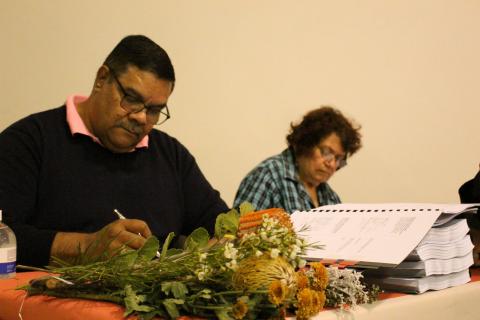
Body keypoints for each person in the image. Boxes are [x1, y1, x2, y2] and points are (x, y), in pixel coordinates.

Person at [0, 35, 228, 267]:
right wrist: (85, 247)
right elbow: (3, 235)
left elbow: (221, 225)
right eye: (131, 99)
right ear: (102, 78)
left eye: (154, 110)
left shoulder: (171, 155)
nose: (140, 117)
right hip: (46, 299)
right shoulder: (28, 142)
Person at [234, 106, 361, 213]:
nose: (332, 164)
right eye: (327, 152)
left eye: (339, 158)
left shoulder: (330, 197)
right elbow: (239, 237)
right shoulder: (268, 176)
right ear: (306, 143)